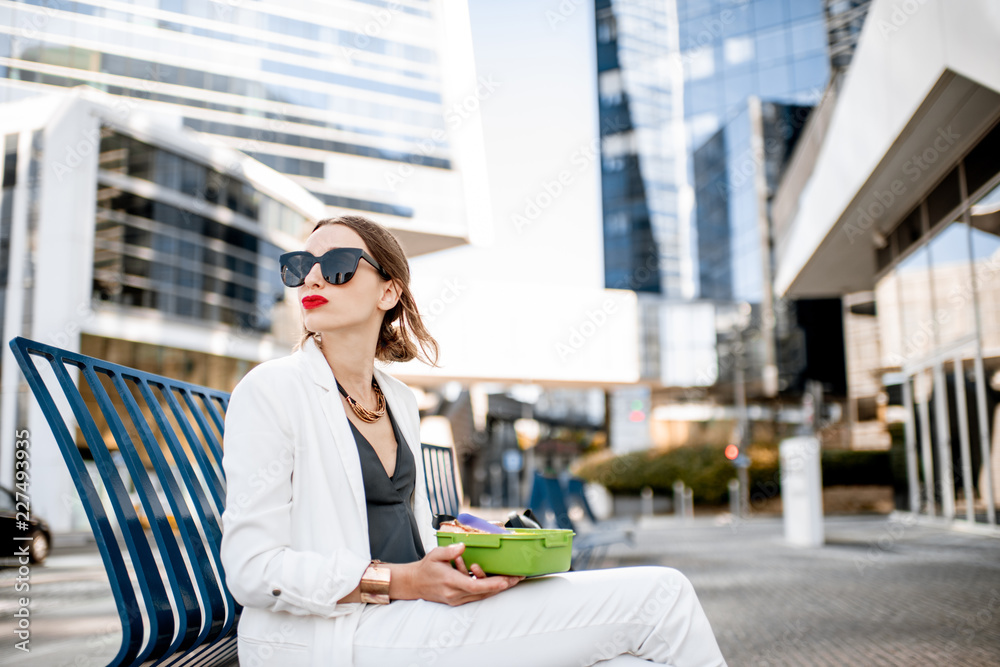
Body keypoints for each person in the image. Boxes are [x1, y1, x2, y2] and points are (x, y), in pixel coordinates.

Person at [220, 215, 726, 666]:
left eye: (336, 264)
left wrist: (470, 554)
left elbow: (405, 534)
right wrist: (401, 581)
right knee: (664, 595)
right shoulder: (271, 389)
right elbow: (252, 569)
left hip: (413, 618)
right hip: (334, 636)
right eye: (300, 264)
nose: (311, 276)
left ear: (388, 292)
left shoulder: (396, 399)